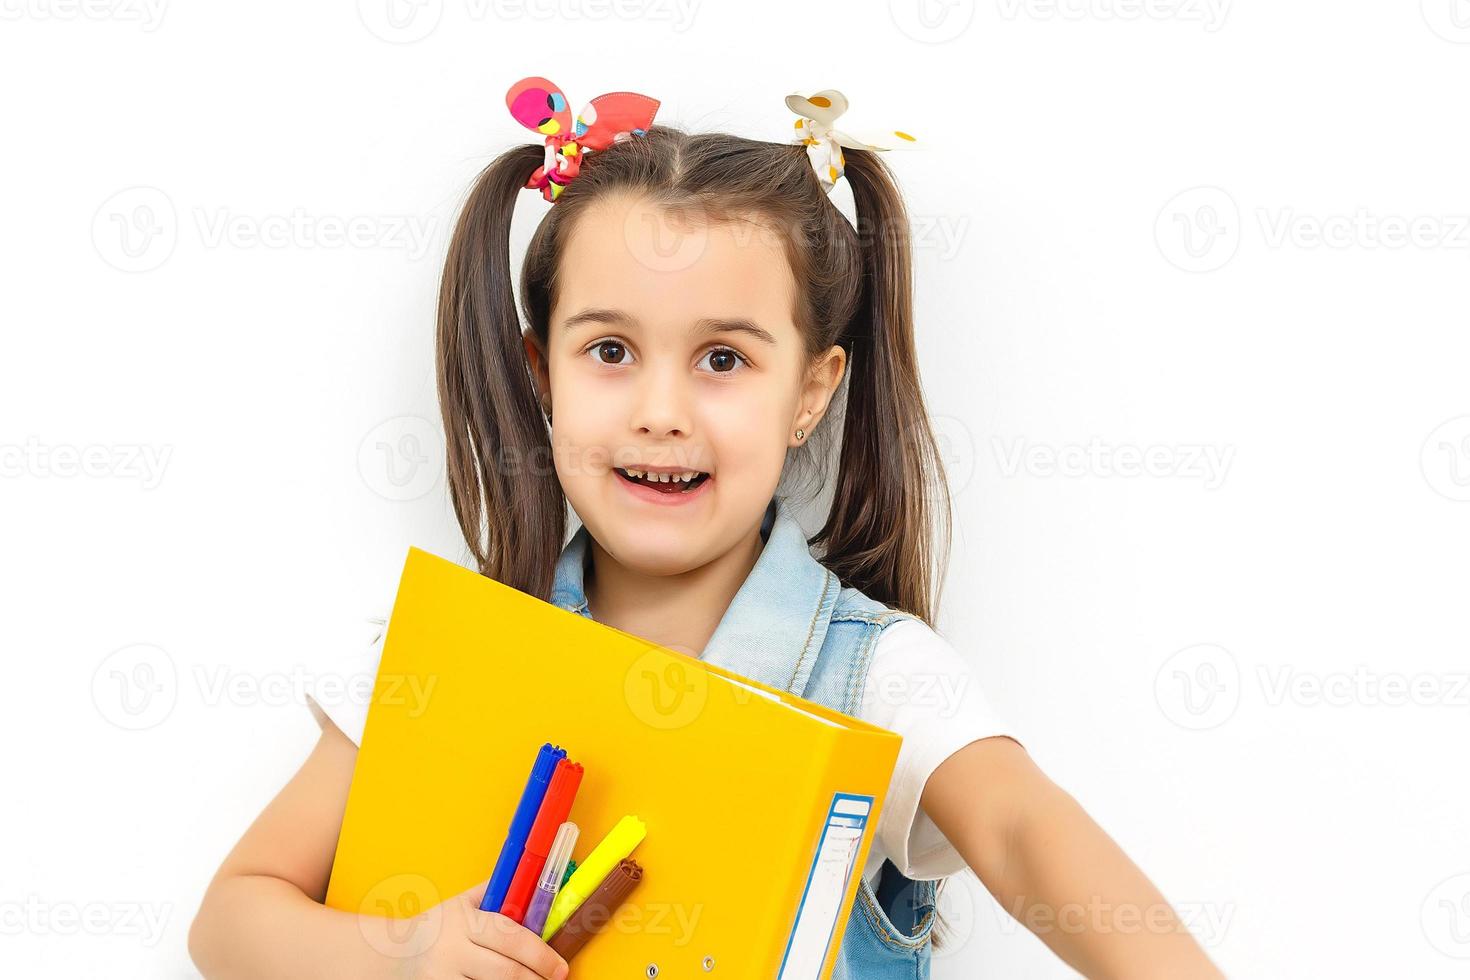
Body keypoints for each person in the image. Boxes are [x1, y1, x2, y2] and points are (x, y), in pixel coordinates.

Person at [189, 78, 1223, 979]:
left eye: (723, 359)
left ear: (812, 391)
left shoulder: (878, 676)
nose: (662, 409)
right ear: (541, 369)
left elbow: (1021, 826)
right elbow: (231, 918)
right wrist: (405, 952)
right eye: (609, 351)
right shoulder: (442, 655)